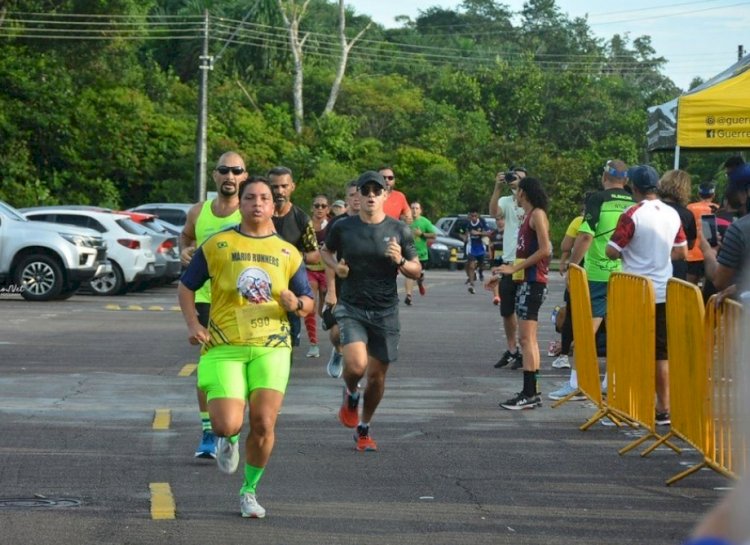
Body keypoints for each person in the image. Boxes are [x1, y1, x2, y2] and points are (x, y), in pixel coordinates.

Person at [177, 176, 314, 518]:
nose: (257, 203)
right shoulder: (217, 244)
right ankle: (229, 438)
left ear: (272, 206)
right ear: (240, 202)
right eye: (249, 197)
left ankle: (249, 491)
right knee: (226, 424)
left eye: (264, 198)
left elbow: (309, 301)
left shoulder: (287, 251)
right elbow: (186, 286)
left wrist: (295, 302)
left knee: (265, 422)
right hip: (225, 345)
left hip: (273, 346)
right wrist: (194, 324)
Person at [321, 170, 420, 451]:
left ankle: (364, 428)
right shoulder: (343, 228)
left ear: (385, 195)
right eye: (366, 191)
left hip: (385, 311)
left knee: (377, 378)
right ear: (359, 195)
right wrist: (335, 267)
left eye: (377, 191)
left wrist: (400, 260)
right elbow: (326, 251)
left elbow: (416, 269)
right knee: (356, 365)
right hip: (352, 307)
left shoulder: (399, 230)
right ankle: (351, 392)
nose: (371, 196)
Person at [606, 165, 687, 426]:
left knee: (631, 351)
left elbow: (612, 251)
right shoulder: (672, 214)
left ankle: (631, 406)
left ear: (634, 188)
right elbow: (681, 251)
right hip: (664, 290)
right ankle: (663, 409)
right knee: (661, 353)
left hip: (635, 291)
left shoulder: (632, 214)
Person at [549, 159, 634, 401]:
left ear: (603, 177)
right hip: (624, 275)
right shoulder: (634, 202)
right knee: (617, 333)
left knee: (586, 333)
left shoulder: (597, 199)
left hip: (597, 275)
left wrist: (574, 265)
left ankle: (577, 384)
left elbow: (585, 236)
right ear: (626, 180)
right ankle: (610, 382)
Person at [179, 151, 245, 459]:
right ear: (215, 175)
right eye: (224, 170)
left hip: (242, 300)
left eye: (237, 170)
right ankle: (209, 430)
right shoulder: (198, 211)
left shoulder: (250, 213)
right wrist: (185, 251)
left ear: (244, 176)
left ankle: (230, 425)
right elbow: (185, 238)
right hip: (206, 297)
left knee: (240, 367)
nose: (230, 176)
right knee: (208, 367)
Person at [493, 177, 551, 410]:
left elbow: (546, 249)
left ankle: (528, 393)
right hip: (526, 280)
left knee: (526, 340)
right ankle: (532, 391)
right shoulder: (528, 216)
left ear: (524, 193)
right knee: (530, 340)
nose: (515, 195)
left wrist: (516, 268)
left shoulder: (537, 214)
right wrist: (505, 273)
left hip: (533, 282)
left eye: (518, 191)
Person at [268, 166, 320, 350]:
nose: (279, 191)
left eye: (284, 186)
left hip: (290, 291)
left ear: (292, 187)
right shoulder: (259, 215)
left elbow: (315, 255)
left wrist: (296, 256)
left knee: (287, 345)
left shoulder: (301, 219)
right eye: (274, 187)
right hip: (262, 290)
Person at [488, 166, 527, 370]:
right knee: (507, 308)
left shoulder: (532, 201)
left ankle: (525, 348)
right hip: (509, 260)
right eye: (513, 177)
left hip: (526, 261)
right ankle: (512, 350)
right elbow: (494, 212)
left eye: (520, 178)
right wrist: (497, 188)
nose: (515, 180)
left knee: (525, 309)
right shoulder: (506, 201)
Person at [322, 180, 361, 378]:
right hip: (341, 284)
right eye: (351, 195)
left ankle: (356, 371)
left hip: (365, 287)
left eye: (359, 193)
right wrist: (331, 290)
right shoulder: (337, 224)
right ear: (347, 199)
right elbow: (328, 256)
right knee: (337, 332)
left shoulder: (375, 222)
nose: (356, 198)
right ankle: (337, 351)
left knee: (361, 334)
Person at [702, 164, 750, 299]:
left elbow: (720, 281)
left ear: (745, 193)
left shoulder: (739, 229)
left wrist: (708, 252)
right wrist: (740, 286)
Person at [302, 194, 330, 358]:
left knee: (326, 308)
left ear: (328, 208)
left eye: (323, 206)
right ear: (312, 208)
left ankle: (335, 336)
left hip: (327, 271)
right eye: (317, 205)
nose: (320, 209)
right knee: (310, 307)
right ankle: (313, 344)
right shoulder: (306, 225)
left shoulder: (331, 226)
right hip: (310, 269)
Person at [659, 170, 697, 281]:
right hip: (677, 266)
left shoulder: (653, 208)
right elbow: (690, 244)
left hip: (653, 262)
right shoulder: (687, 214)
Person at [403, 201, 437, 305]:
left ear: (420, 210)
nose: (414, 210)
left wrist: (421, 234)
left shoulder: (425, 222)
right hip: (409, 253)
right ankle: (408, 296)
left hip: (422, 254)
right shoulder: (405, 221)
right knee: (409, 275)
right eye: (412, 208)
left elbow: (434, 235)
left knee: (419, 276)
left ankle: (420, 283)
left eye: (417, 208)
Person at [686, 182, 719, 285]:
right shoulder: (717, 208)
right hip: (710, 253)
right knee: (707, 288)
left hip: (693, 253)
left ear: (698, 194)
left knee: (690, 286)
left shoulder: (690, 207)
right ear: (713, 195)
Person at [460, 210, 492, 295]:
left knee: (481, 264)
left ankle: (480, 272)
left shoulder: (482, 222)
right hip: (471, 247)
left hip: (480, 246)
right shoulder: (467, 224)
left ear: (477, 216)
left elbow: (489, 233)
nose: (473, 218)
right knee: (471, 265)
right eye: (472, 216)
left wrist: (478, 233)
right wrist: (465, 237)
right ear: (470, 216)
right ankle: (471, 284)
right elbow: (465, 233)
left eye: (475, 216)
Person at [488, 215, 504, 305]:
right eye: (497, 220)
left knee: (504, 278)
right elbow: (490, 247)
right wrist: (491, 260)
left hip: (506, 258)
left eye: (501, 219)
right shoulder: (493, 234)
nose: (499, 222)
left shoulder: (509, 232)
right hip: (496, 257)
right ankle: (496, 297)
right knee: (495, 276)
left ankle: (504, 295)